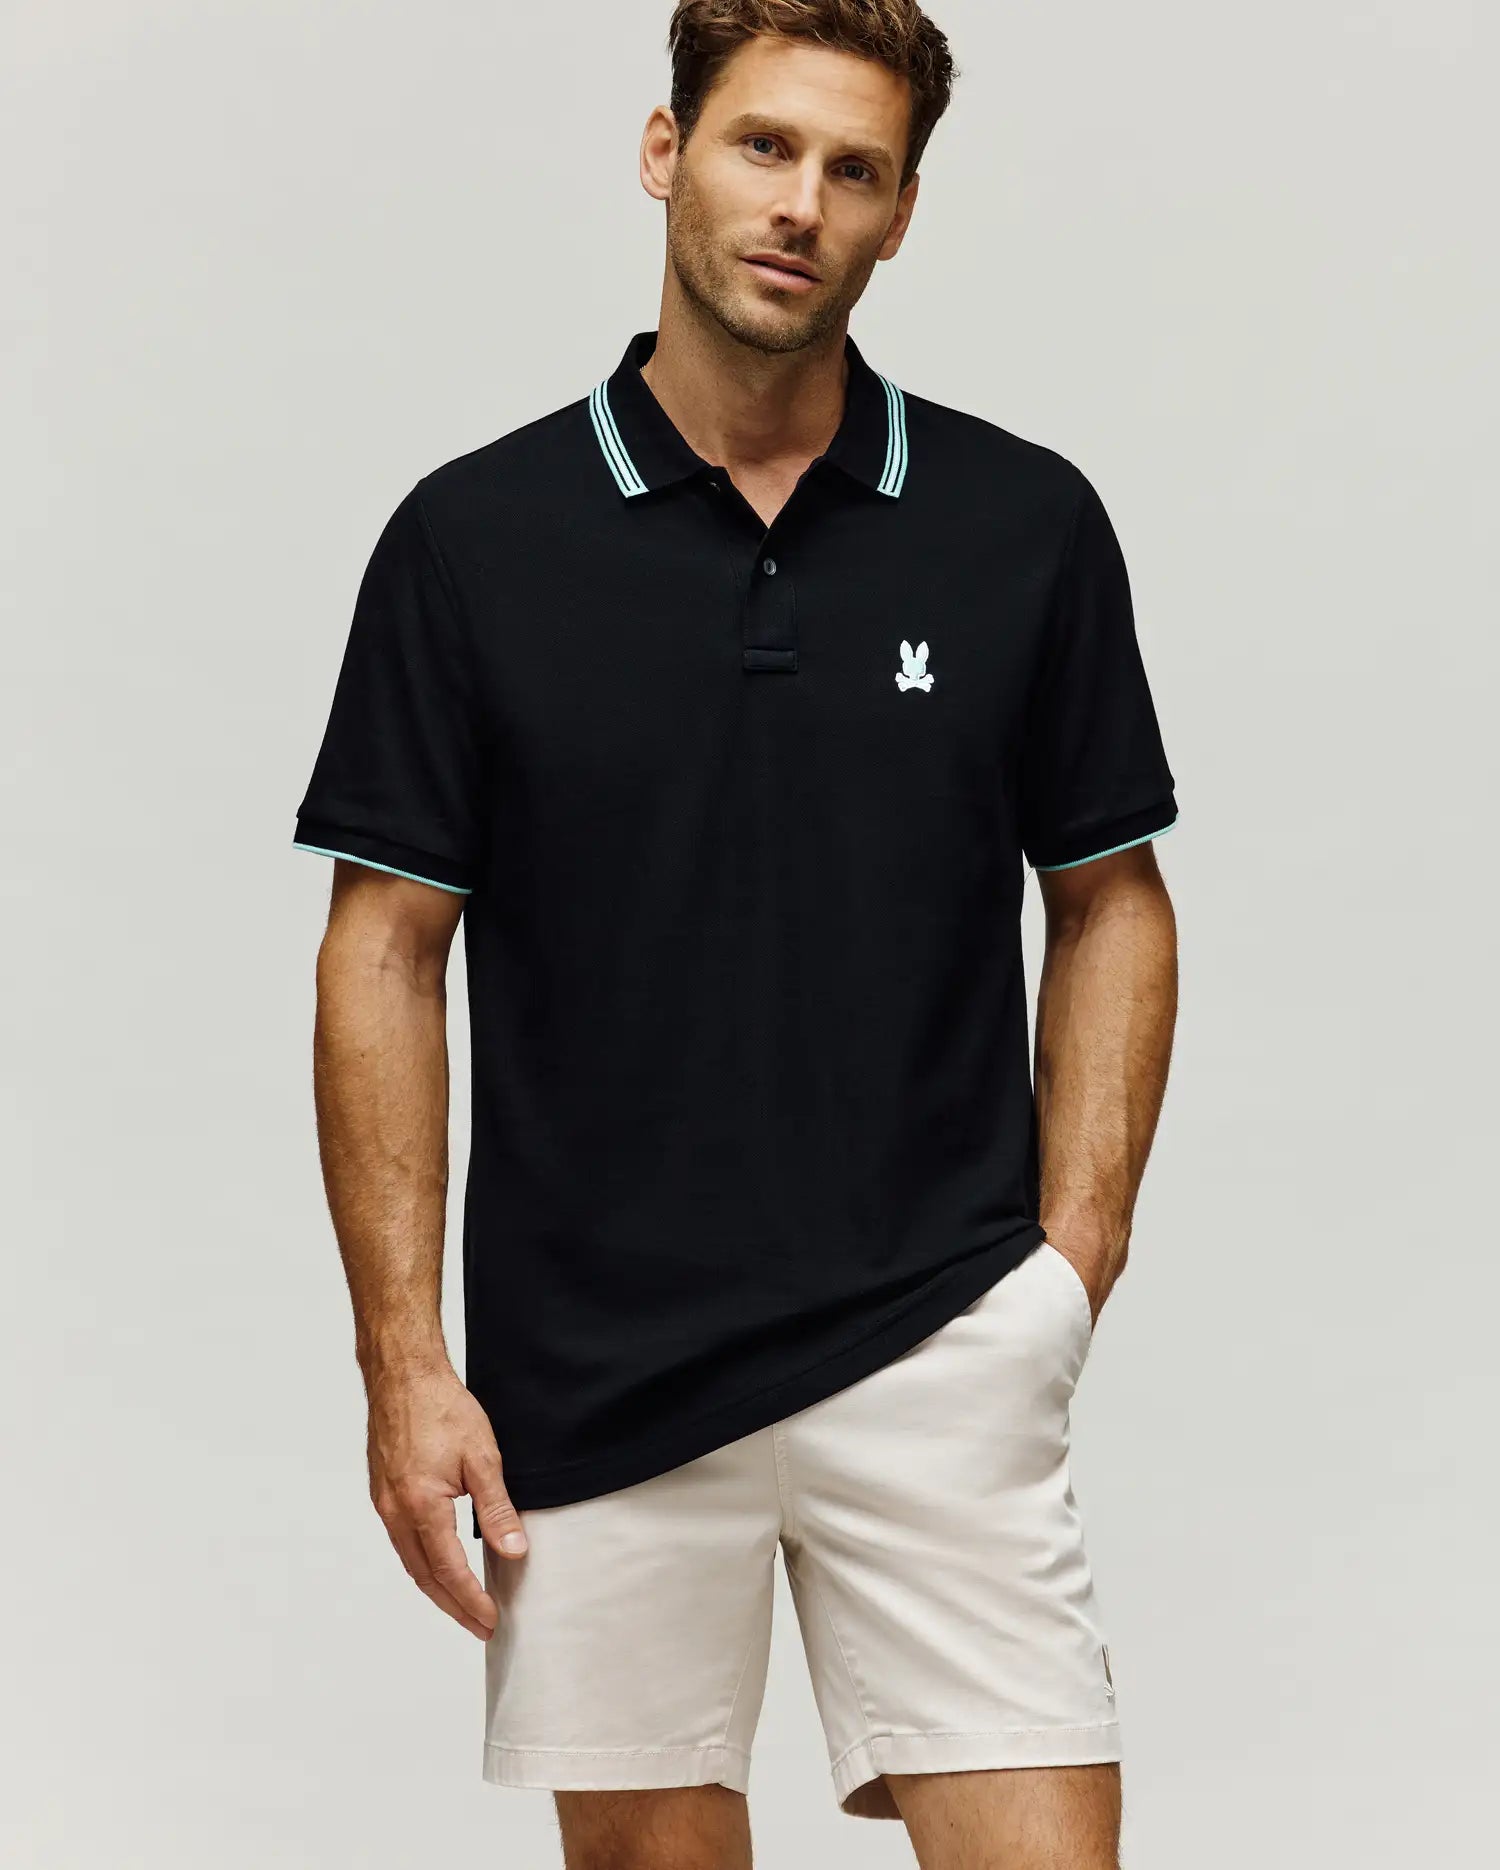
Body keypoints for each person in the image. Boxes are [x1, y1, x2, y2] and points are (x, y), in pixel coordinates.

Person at [292, 2, 1179, 1863]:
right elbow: (384, 949)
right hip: (593, 1376)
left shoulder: (1022, 523)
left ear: (901, 215)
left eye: (855, 170)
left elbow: (1110, 895)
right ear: (664, 153)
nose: (801, 204)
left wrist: (1071, 1261)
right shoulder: (475, 538)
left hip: (939, 1330)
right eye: (763, 145)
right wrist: (404, 1358)